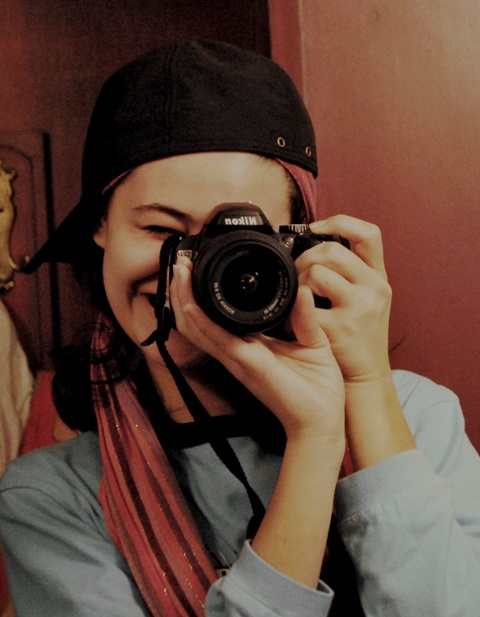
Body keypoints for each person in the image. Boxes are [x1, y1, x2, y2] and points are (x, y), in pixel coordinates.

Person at [0, 38, 479, 617]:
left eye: (233, 238)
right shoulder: (55, 498)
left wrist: (365, 390)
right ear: (99, 229)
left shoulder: (415, 419)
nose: (190, 271)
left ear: (297, 244)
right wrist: (313, 442)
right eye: (160, 230)